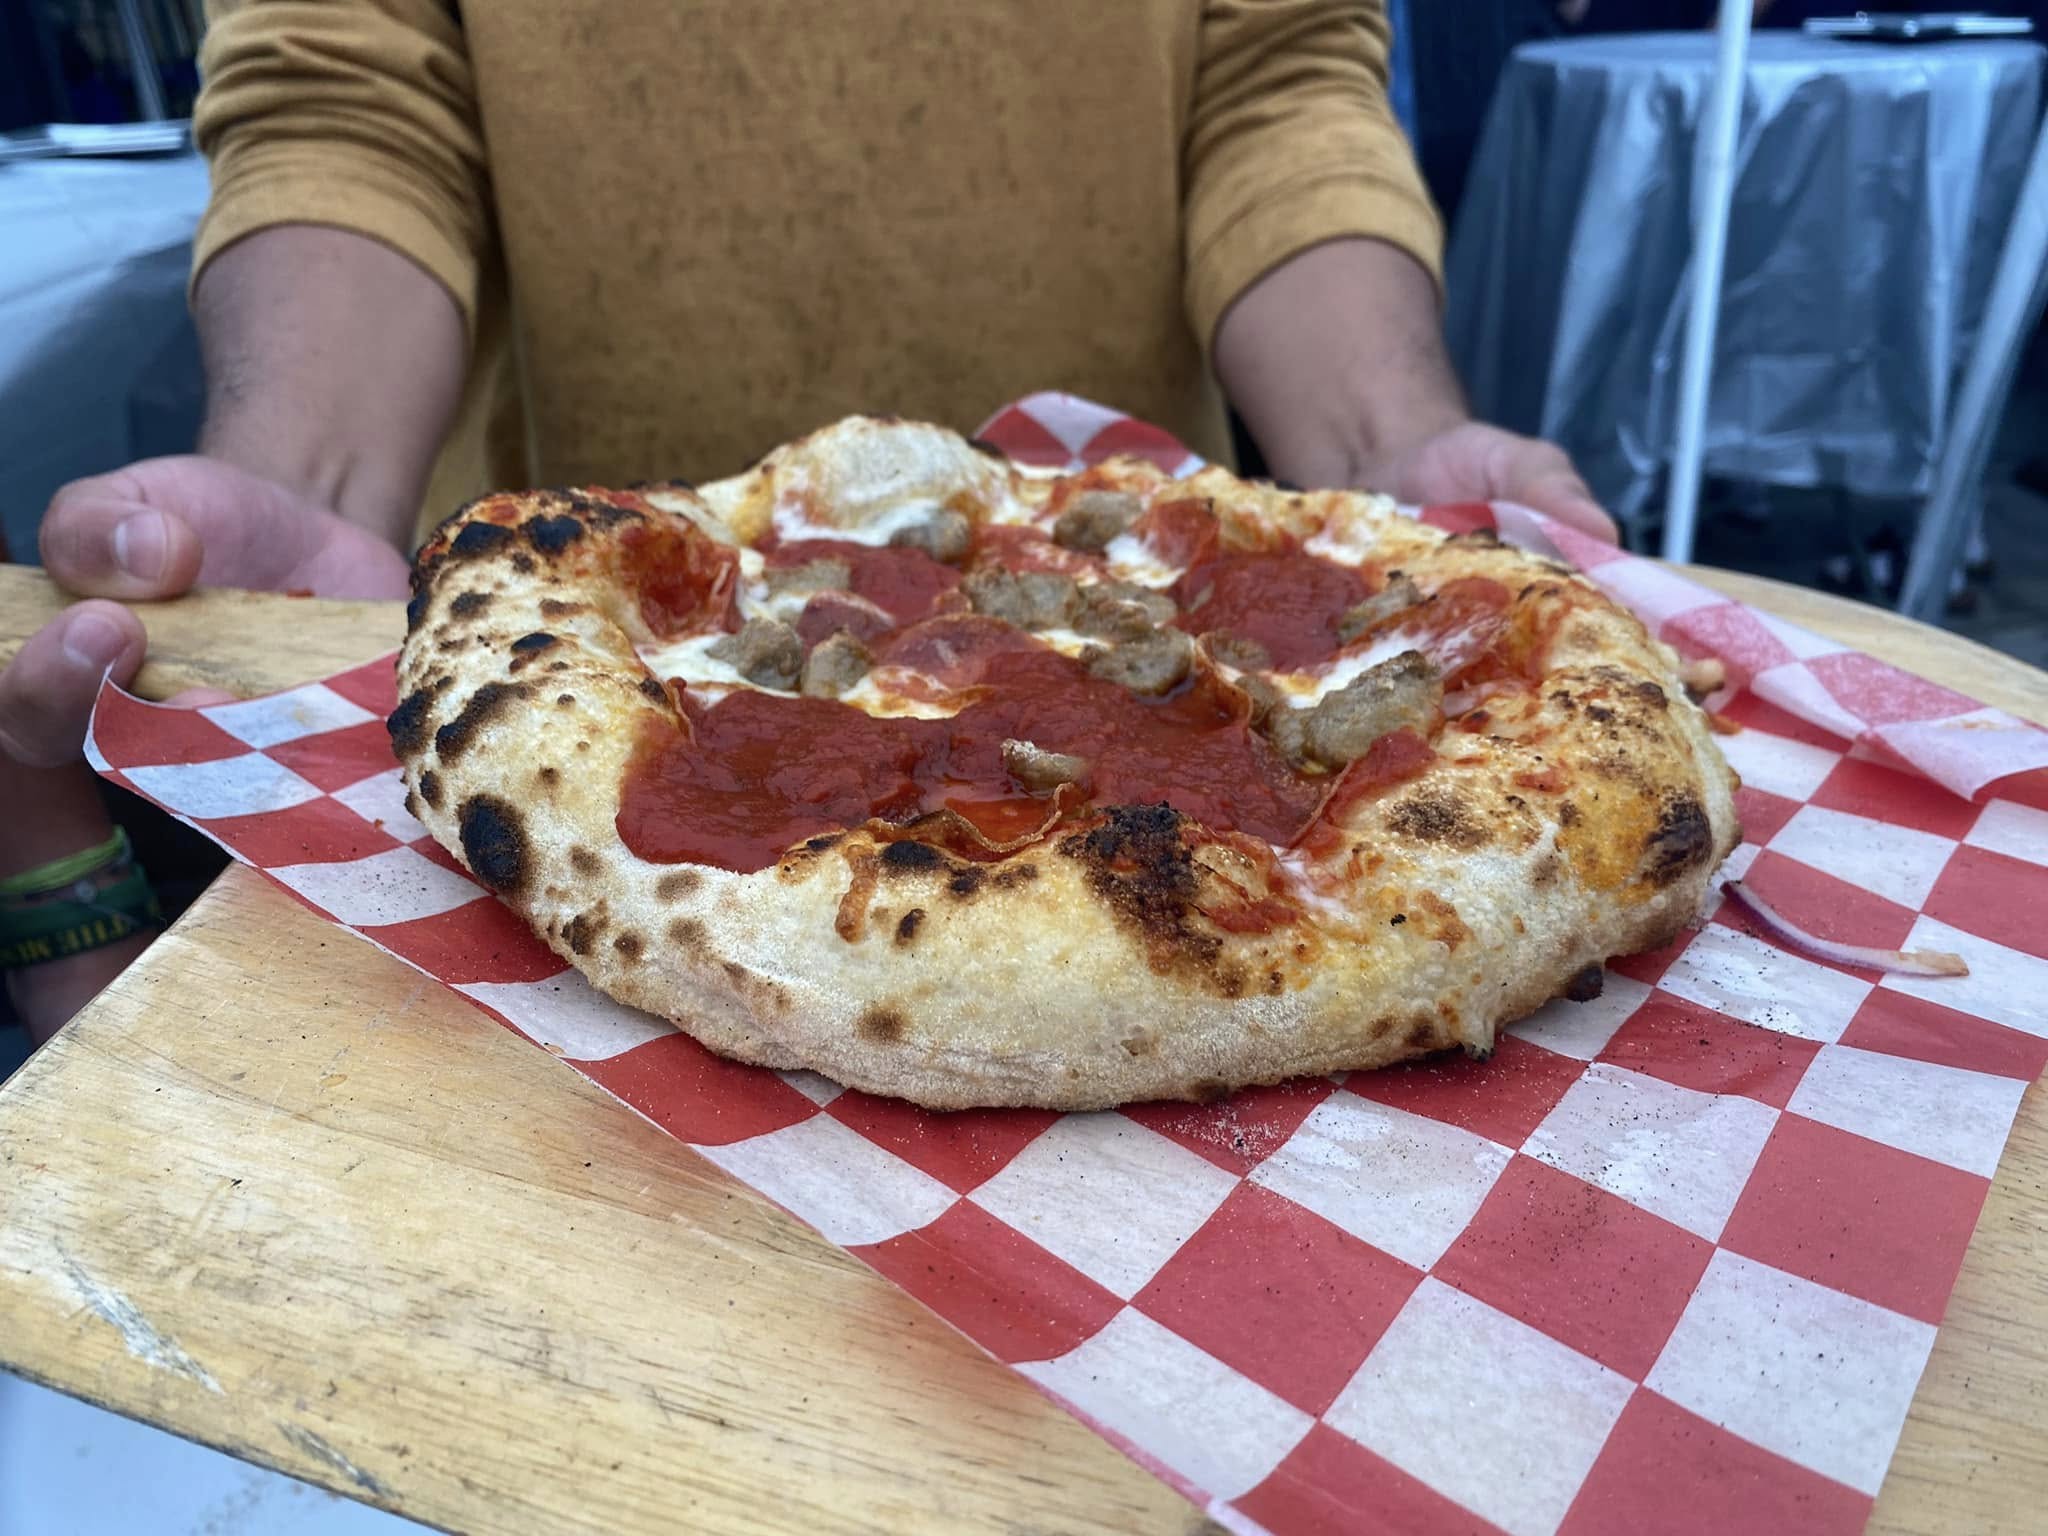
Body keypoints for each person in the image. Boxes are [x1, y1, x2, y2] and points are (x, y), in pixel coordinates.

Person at [0, 1, 1615, 1046]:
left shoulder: (1480, 729)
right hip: (630, 616)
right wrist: (317, 484)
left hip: (1171, 591)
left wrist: (1391, 450)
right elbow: (352, 87)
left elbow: (1276, 75)